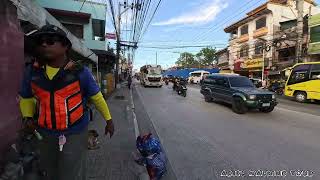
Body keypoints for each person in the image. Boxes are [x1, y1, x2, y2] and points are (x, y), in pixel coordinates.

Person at [19, 25, 115, 180]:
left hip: (74, 133)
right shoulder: (32, 72)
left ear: (65, 46)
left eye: (50, 41)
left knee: (71, 172)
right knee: (49, 171)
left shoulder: (80, 72)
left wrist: (109, 120)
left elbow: (97, 97)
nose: (44, 44)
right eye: (40, 41)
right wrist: (28, 117)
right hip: (45, 133)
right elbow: (26, 96)